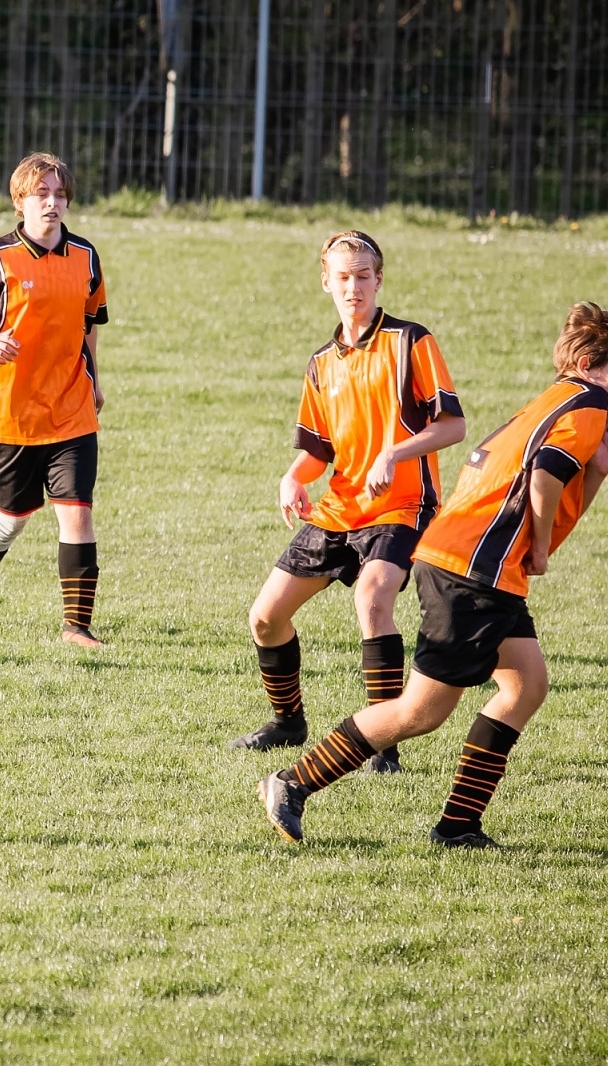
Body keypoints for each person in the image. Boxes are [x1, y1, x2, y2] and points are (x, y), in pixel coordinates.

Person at [258, 302, 608, 847]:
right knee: (419, 711)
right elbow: (546, 474)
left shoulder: (561, 397)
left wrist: (598, 470)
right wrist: (542, 546)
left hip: (471, 563)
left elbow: (554, 475)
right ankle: (291, 783)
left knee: (525, 687)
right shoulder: (590, 401)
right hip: (473, 571)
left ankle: (458, 825)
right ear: (592, 365)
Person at [228, 230, 466, 777]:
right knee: (265, 618)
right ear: (326, 283)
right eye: (343, 277)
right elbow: (318, 451)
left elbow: (453, 426)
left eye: (364, 276)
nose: (353, 286)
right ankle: (288, 721)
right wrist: (292, 477)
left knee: (374, 596)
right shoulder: (321, 363)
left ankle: (384, 744)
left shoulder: (411, 343)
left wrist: (395, 453)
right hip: (339, 509)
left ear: (379, 281)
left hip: (402, 506)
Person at [0, 152, 109, 647]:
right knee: (12, 517)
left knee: (76, 510)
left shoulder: (86, 256)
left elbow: (90, 324)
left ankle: (76, 628)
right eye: (42, 194)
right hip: (10, 410)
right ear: (20, 202)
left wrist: (95, 379)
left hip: (72, 406)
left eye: (59, 195)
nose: (53, 204)